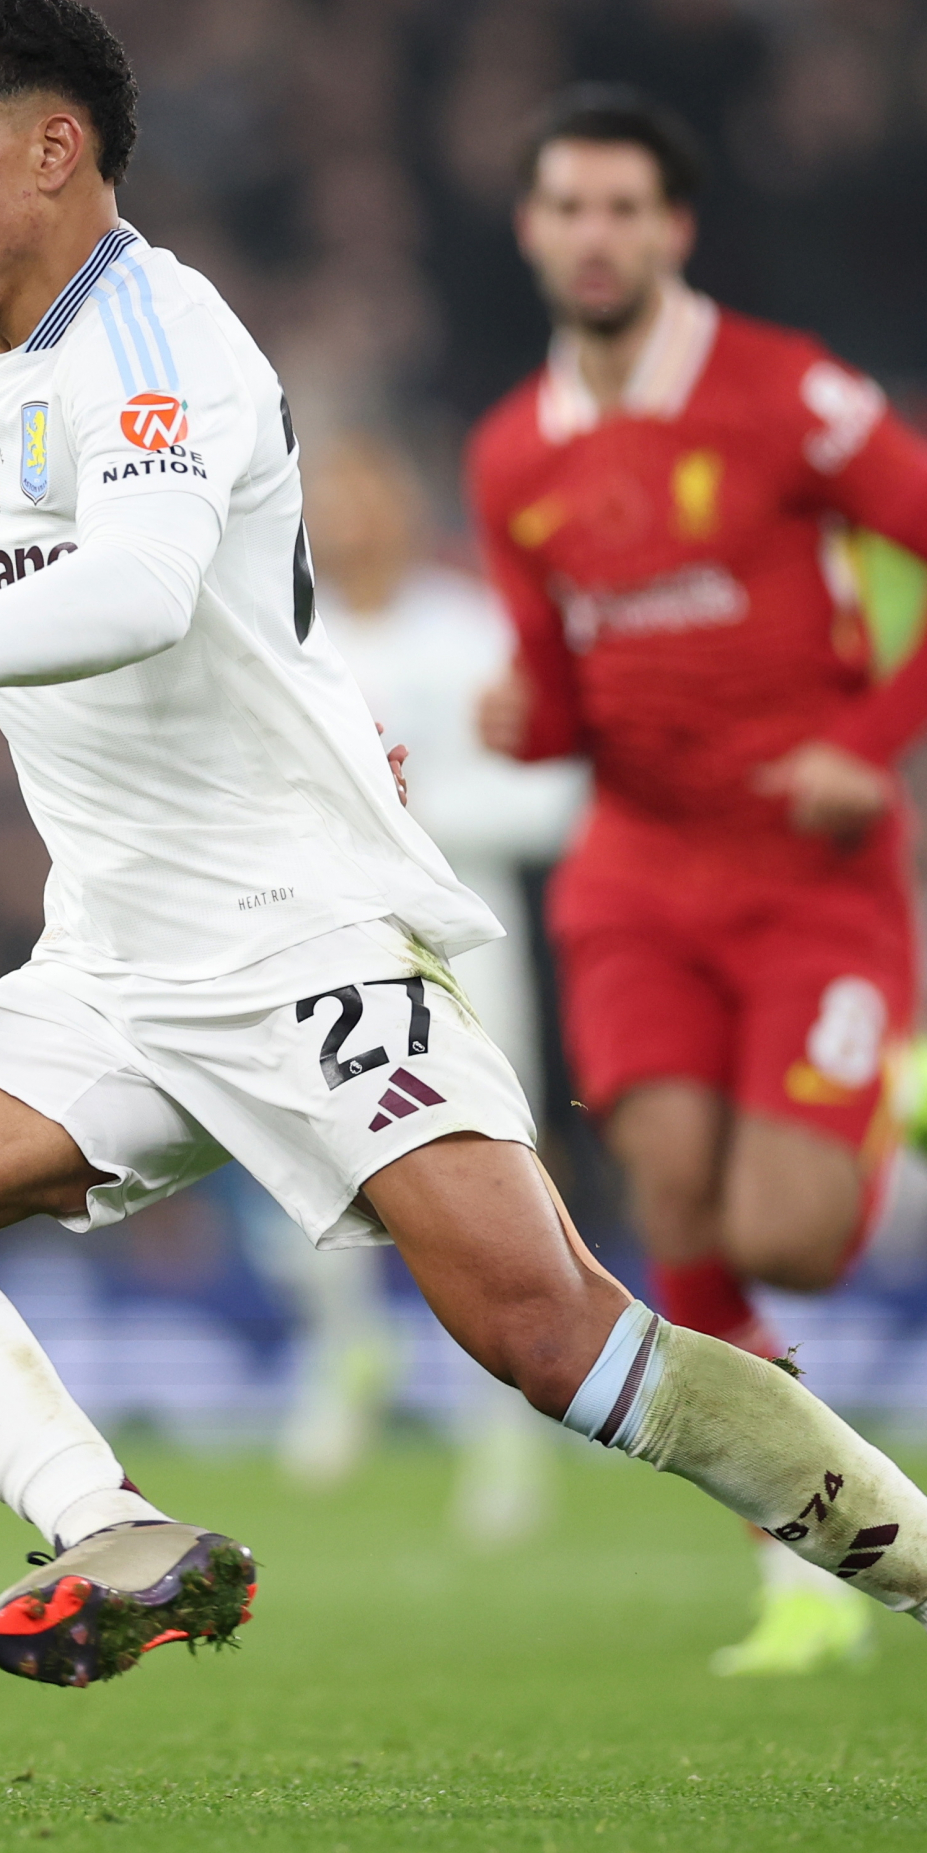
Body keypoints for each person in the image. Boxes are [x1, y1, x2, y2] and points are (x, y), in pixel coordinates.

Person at [0, 0, 927, 1809]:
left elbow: (137, 590)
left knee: (556, 1336)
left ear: (53, 148)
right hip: (116, 956)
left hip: (293, 940)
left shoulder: (165, 337)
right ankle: (109, 1532)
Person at [468, 87, 927, 1677]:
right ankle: (796, 1563)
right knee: (670, 1208)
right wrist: (527, 719)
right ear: (531, 230)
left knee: (783, 1237)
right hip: (634, 875)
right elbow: (559, 687)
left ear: (671, 231)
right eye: (565, 207)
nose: (592, 235)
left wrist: (871, 740)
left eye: (620, 209)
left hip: (809, 874)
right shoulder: (511, 452)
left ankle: (897, 1072)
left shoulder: (786, 397)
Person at [233, 432, 584, 1540]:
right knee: (287, 1149)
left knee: (487, 1192)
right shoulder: (284, 630)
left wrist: (398, 822)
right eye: (326, 494)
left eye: (364, 488)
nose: (344, 513)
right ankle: (345, 1354)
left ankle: (504, 1442)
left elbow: (554, 799)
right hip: (313, 936)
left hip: (459, 941)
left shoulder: (470, 630)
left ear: (404, 500)